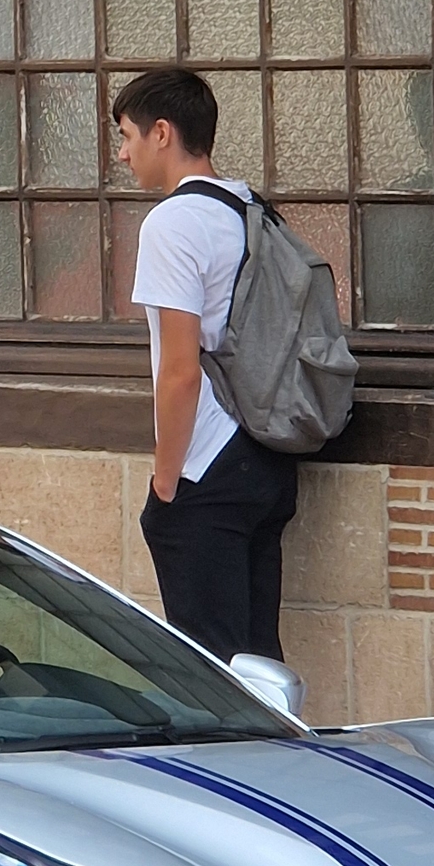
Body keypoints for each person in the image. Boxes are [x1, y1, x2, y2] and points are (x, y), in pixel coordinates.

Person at [114, 63, 299, 664]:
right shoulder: (250, 208)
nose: (123, 154)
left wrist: (167, 481)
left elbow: (179, 369)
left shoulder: (172, 223)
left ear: (161, 133)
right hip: (266, 451)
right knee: (258, 664)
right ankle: (278, 758)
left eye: (127, 136)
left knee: (211, 675)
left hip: (208, 463)